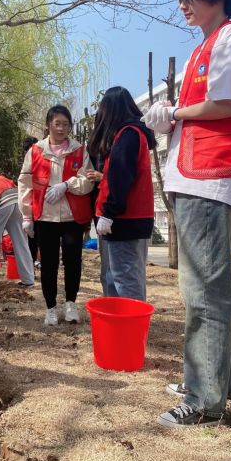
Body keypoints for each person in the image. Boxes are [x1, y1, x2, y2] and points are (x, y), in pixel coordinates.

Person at [142, 0, 231, 428]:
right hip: (195, 179)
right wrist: (172, 117)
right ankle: (215, 385)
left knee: (206, 292)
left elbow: (227, 102)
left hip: (213, 181)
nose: (183, 7)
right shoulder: (206, 45)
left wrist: (175, 113)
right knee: (202, 288)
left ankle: (205, 401)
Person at [18, 105, 94, 325]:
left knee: (72, 261)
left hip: (72, 217)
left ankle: (71, 303)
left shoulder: (80, 150)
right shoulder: (35, 151)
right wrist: (26, 215)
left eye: (66, 124)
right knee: (48, 262)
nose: (61, 128)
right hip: (45, 217)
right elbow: (25, 184)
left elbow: (88, 181)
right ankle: (50, 307)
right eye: (57, 123)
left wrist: (66, 185)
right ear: (48, 125)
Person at [88, 87, 156, 301]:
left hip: (124, 219)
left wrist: (109, 212)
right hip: (133, 218)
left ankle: (131, 330)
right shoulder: (134, 134)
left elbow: (120, 176)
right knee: (121, 275)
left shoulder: (127, 135)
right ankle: (121, 326)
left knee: (124, 278)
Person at [21, 135, 40, 267]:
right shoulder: (26, 165)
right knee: (31, 238)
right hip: (30, 207)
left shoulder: (42, 159)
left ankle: (37, 262)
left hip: (42, 205)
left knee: (39, 238)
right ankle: (31, 265)